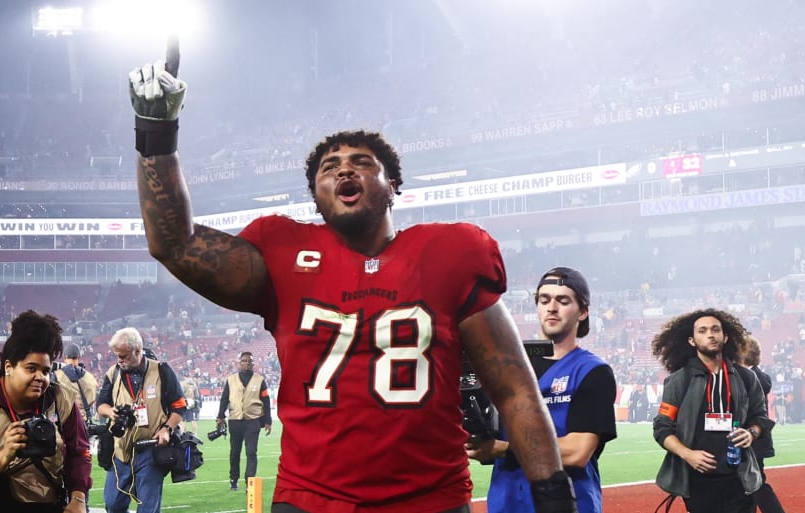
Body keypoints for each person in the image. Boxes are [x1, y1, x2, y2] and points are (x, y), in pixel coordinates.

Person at [127, 59, 576, 513]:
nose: (344, 171)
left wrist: (555, 496)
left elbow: (515, 387)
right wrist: (156, 135)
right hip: (311, 499)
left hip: (429, 501)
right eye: (330, 167)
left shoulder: (451, 252)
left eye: (361, 163)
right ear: (316, 194)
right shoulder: (283, 250)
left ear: (392, 184)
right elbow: (174, 244)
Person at [467, 267, 617, 513]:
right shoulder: (506, 367)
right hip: (506, 502)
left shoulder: (592, 371)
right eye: (544, 300)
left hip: (569, 503)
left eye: (563, 300)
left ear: (583, 312)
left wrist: (502, 448)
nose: (552, 308)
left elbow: (577, 451)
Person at [0, 310, 92, 513]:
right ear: (8, 366)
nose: (40, 377)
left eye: (45, 371)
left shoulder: (63, 401)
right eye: (31, 368)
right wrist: (2, 457)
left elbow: (80, 452)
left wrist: (78, 497)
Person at [652, 308, 773, 513]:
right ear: (692, 341)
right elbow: (662, 428)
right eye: (702, 330)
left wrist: (751, 433)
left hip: (739, 477)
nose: (710, 334)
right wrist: (688, 454)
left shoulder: (746, 378)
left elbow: (760, 417)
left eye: (715, 329)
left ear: (725, 337)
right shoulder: (679, 381)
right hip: (698, 480)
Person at [95, 327, 188, 513]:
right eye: (117, 356)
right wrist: (111, 412)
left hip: (150, 449)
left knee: (148, 509)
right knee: (113, 505)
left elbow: (180, 406)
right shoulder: (113, 373)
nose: (119, 360)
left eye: (124, 356)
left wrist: (166, 429)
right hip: (120, 451)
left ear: (138, 350)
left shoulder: (162, 371)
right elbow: (101, 404)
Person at [740, 335, 786, 513]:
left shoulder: (753, 377)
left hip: (754, 439)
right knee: (747, 483)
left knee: (756, 483)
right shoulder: (759, 375)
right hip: (753, 439)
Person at [216, 351, 272, 491]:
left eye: (250, 361)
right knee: (235, 452)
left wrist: (268, 421)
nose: (247, 363)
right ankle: (233, 479)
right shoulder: (231, 380)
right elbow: (224, 398)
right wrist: (220, 416)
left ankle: (250, 482)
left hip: (253, 421)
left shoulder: (260, 380)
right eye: (245, 360)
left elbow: (266, 401)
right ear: (240, 363)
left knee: (251, 452)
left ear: (253, 363)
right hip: (235, 420)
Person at [54, 343, 99, 426]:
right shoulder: (90, 377)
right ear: (79, 357)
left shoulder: (56, 376)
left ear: (64, 357)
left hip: (64, 422)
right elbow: (93, 398)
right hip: (83, 423)